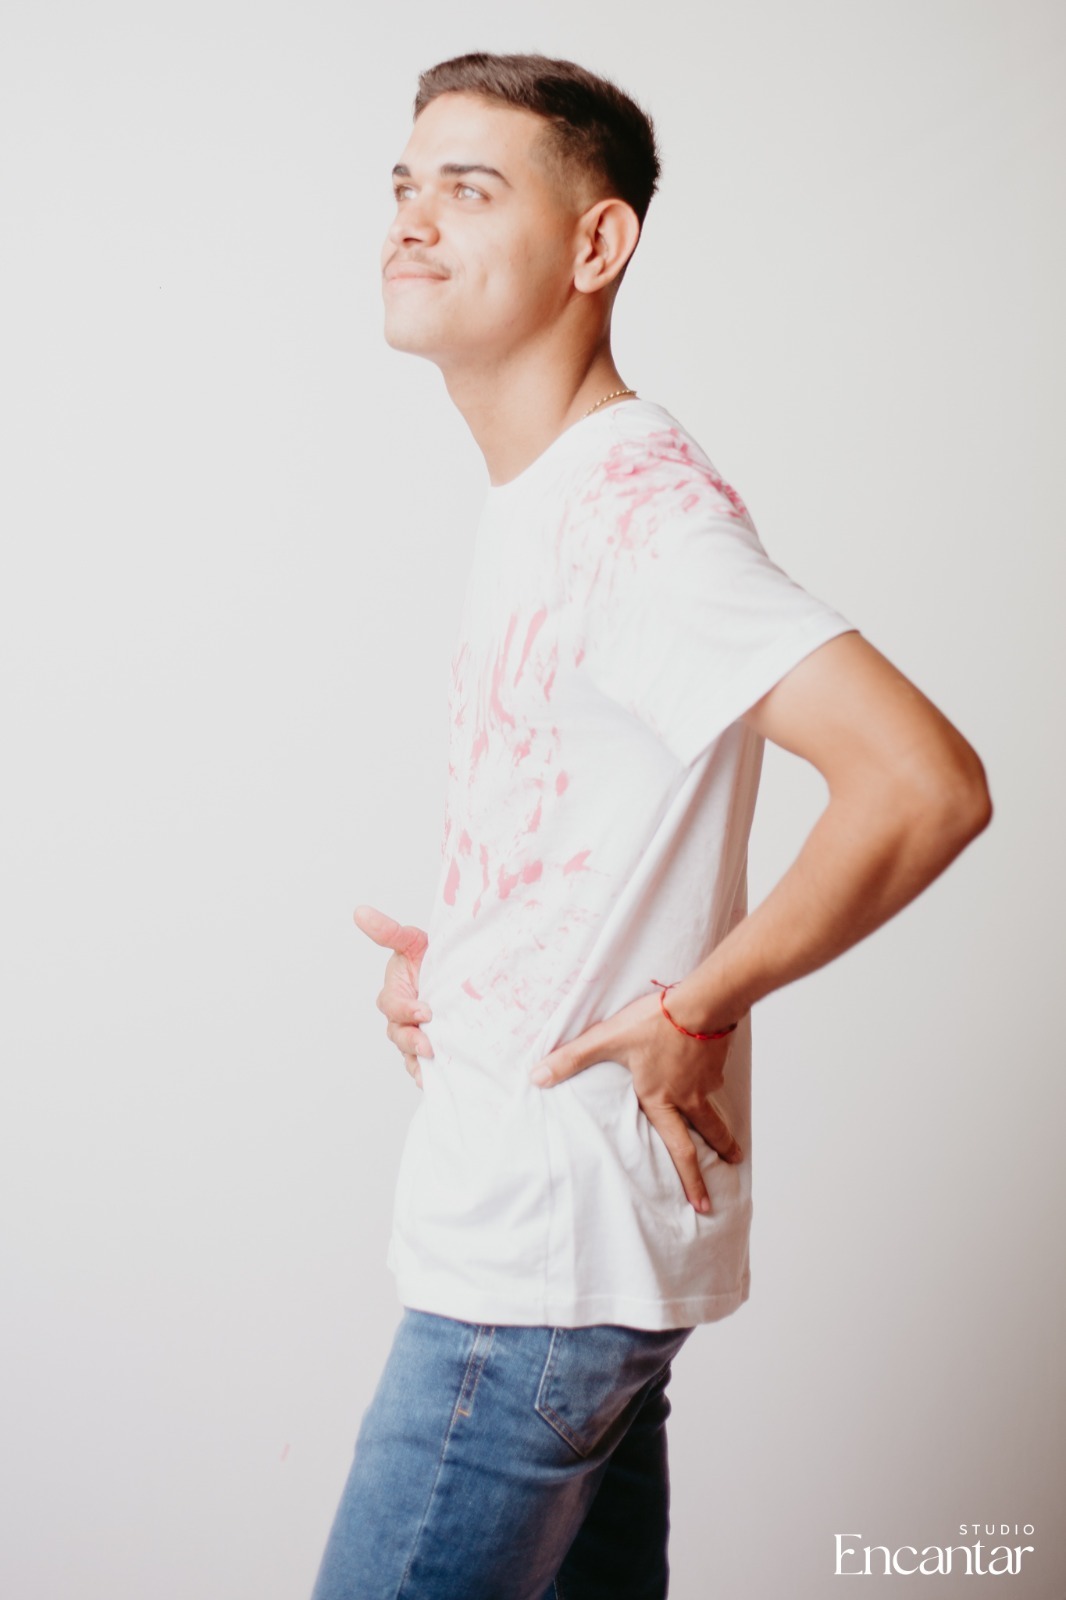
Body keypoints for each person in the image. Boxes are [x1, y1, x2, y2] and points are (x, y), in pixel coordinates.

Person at [309, 51, 992, 1600]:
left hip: (530, 1272)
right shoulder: (552, 496)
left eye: (467, 189)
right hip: (555, 1249)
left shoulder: (636, 521)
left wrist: (700, 1003)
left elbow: (922, 782)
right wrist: (468, 966)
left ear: (594, 243)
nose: (409, 220)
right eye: (403, 185)